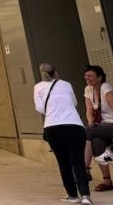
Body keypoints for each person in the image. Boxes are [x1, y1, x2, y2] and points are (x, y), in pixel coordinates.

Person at [35, 62, 92, 204]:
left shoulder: (37, 87)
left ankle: (73, 195)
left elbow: (40, 108)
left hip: (53, 127)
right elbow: (74, 102)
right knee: (78, 162)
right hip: (74, 125)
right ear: (55, 72)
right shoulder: (66, 84)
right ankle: (85, 195)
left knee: (64, 163)